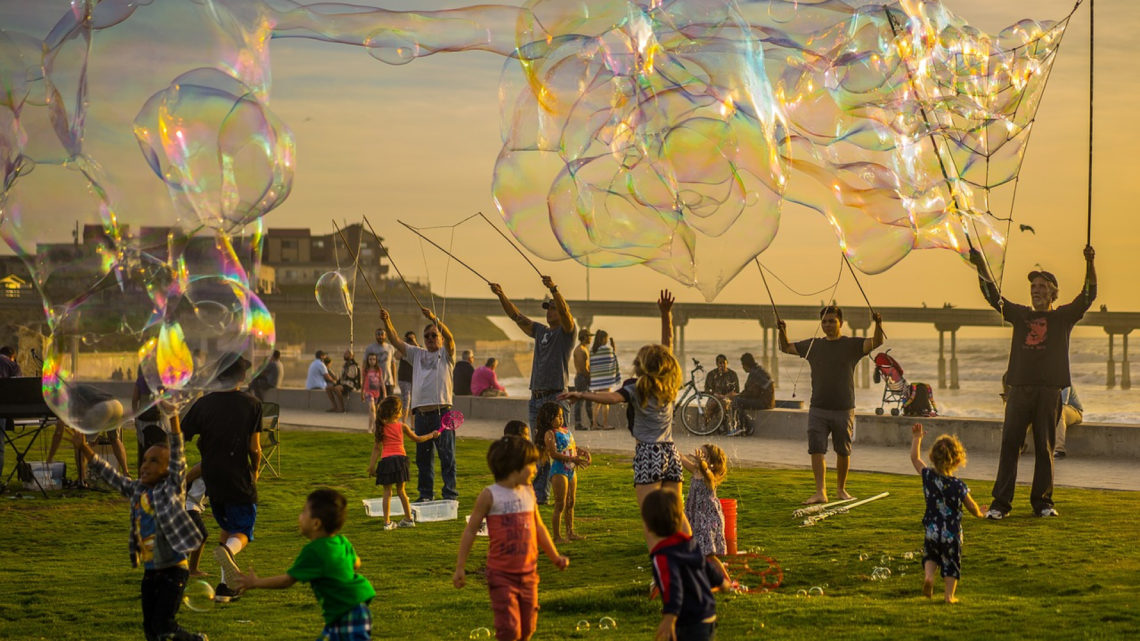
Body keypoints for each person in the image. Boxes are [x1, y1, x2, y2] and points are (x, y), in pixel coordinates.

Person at [969, 245, 1095, 519]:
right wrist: (981, 266)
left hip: (1049, 392)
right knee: (1009, 446)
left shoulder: (1062, 316)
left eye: (1042, 286)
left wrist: (1090, 263)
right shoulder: (1021, 314)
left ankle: (1043, 503)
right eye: (1033, 286)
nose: (1036, 290)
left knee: (1045, 448)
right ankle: (1000, 505)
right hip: (1019, 390)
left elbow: (1088, 296)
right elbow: (993, 296)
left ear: (1053, 291)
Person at [71, 405, 208, 641]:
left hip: (174, 571)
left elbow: (177, 451)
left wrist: (174, 416)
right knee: (150, 630)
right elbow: (110, 475)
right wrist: (84, 447)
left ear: (168, 470)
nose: (146, 465)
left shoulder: (172, 488)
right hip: (151, 572)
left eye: (154, 461)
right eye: (145, 460)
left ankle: (196, 640)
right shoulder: (137, 490)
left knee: (164, 625)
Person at [562, 291, 687, 544]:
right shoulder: (668, 383)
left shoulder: (636, 387)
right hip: (671, 452)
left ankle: (660, 569)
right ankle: (692, 558)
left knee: (650, 518)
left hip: (648, 454)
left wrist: (582, 395)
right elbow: (668, 348)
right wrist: (666, 315)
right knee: (677, 514)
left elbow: (611, 398)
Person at [453, 436, 569, 641]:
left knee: (527, 629)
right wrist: (460, 566)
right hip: (501, 575)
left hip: (529, 574)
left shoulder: (528, 493)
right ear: (515, 467)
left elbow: (539, 527)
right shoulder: (490, 495)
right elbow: (470, 531)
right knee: (509, 630)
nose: (536, 468)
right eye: (531, 464)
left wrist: (555, 556)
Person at [233, 489, 376, 641]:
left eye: (303, 512)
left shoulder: (313, 551)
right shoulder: (341, 541)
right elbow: (356, 563)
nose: (299, 517)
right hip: (356, 607)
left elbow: (287, 581)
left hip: (346, 610)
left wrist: (255, 582)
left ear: (316, 523)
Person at [778, 305, 884, 505]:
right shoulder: (813, 345)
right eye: (824, 321)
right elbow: (785, 348)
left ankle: (841, 490)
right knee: (816, 449)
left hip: (844, 408)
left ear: (840, 323)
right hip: (818, 407)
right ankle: (820, 492)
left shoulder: (851, 345)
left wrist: (878, 324)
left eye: (832, 321)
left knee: (843, 451)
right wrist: (782, 331)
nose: (827, 325)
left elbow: (877, 341)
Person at [180, 355, 263, 604]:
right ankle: (227, 551)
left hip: (212, 479)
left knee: (227, 528)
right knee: (244, 530)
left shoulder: (203, 404)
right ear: (241, 377)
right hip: (237, 475)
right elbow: (255, 448)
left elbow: (180, 436)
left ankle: (225, 589)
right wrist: (256, 471)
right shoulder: (252, 404)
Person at [490, 275, 576, 504]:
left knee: (560, 448)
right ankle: (540, 496)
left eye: (553, 308)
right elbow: (516, 317)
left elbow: (567, 316)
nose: (549, 312)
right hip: (536, 397)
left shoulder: (567, 333)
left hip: (556, 397)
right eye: (548, 308)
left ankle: (562, 493)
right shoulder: (540, 331)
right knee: (539, 450)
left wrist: (554, 289)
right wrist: (501, 295)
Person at [380, 306, 458, 503]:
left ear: (439, 338)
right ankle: (426, 495)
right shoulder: (417, 354)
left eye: (434, 335)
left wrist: (434, 318)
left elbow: (450, 338)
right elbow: (395, 340)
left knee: (447, 457)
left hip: (443, 413)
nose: (430, 338)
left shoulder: (447, 355)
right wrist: (387, 321)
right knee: (423, 459)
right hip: (422, 415)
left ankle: (449, 494)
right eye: (427, 336)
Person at [909, 424, 985, 603]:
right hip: (951, 533)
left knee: (930, 555)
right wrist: (980, 513)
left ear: (933, 457)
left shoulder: (928, 476)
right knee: (951, 562)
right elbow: (971, 506)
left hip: (932, 529)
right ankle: (949, 596)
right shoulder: (958, 485)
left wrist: (917, 438)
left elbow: (914, 459)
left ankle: (929, 577)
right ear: (957, 459)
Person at [642, 488, 729, 641]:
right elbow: (705, 566)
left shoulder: (662, 556)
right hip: (707, 614)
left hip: (688, 621)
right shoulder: (689, 543)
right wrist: (721, 582)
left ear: (648, 527)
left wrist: (670, 617)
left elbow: (672, 586)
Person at [366, 395, 440, 530]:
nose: (402, 412)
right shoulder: (402, 426)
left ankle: (387, 523)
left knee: (387, 492)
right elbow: (418, 439)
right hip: (400, 461)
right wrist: (432, 435)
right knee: (401, 491)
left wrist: (371, 467)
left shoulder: (380, 427)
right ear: (395, 412)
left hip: (387, 462)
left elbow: (376, 448)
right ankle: (408, 519)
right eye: (400, 409)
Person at [537, 402, 590, 542]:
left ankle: (570, 532)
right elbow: (553, 454)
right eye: (557, 416)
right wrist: (572, 459)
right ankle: (557, 536)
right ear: (549, 418)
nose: (561, 419)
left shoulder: (566, 431)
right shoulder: (550, 434)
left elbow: (572, 446)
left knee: (571, 502)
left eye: (561, 416)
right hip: (559, 470)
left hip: (571, 470)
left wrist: (582, 452)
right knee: (560, 503)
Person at [681, 444, 731, 583]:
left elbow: (705, 470)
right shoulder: (696, 471)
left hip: (707, 519)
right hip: (696, 517)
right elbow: (682, 459)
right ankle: (701, 579)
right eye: (699, 453)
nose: (699, 457)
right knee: (697, 551)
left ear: (713, 464)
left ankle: (727, 581)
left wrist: (701, 462)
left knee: (708, 555)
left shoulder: (709, 477)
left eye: (704, 455)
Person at [731, 352, 774, 435]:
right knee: (738, 400)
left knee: (736, 401)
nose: (742, 367)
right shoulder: (758, 370)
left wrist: (736, 396)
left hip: (764, 403)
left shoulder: (754, 374)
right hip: (768, 401)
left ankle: (744, 427)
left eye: (742, 365)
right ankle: (743, 426)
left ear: (746, 365)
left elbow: (752, 393)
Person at [588, 330, 619, 430]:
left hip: (596, 380)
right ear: (602, 339)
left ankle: (594, 424)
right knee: (605, 402)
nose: (606, 340)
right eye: (606, 338)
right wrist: (614, 348)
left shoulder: (592, 351)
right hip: (605, 380)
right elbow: (613, 360)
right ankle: (605, 424)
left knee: (597, 403)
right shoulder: (607, 349)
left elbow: (592, 364)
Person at [364, 327, 398, 395]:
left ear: (385, 336)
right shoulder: (370, 348)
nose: (380, 336)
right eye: (378, 334)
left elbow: (393, 365)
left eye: (382, 334)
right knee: (376, 404)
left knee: (388, 403)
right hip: (374, 381)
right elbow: (365, 364)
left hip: (388, 381)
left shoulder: (390, 348)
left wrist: (394, 381)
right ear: (375, 336)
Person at [1053, 386, 1084, 459]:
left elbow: (1062, 402)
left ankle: (1059, 449)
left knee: (1059, 411)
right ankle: (1022, 444)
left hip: (1075, 411)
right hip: (1053, 409)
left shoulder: (1064, 381)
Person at [571, 329, 592, 429]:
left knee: (588, 401)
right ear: (585, 337)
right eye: (589, 336)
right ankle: (578, 424)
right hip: (582, 378)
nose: (591, 338)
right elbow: (582, 368)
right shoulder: (580, 350)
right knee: (579, 401)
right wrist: (588, 378)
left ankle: (592, 422)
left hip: (584, 377)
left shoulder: (584, 348)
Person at [361, 352, 386, 435]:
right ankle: (376, 427)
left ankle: (369, 428)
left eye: (374, 359)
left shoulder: (378, 369)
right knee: (372, 408)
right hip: (368, 392)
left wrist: (384, 392)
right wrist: (362, 393)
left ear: (376, 360)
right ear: (368, 360)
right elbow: (363, 382)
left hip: (377, 392)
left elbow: (382, 381)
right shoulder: (366, 370)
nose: (372, 361)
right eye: (370, 359)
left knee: (372, 411)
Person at [397, 331, 417, 417]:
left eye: (411, 338)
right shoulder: (403, 348)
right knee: (406, 400)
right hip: (404, 378)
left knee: (415, 402)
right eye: (408, 339)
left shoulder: (418, 348)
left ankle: (413, 425)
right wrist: (403, 344)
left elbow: (423, 353)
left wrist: (414, 343)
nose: (410, 340)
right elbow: (396, 356)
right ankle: (404, 423)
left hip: (415, 378)